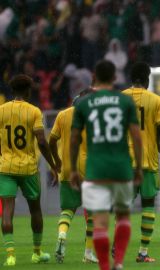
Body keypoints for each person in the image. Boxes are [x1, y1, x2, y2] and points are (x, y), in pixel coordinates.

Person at [70, 60, 143, 270]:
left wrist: (73, 169)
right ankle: (118, 262)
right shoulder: (125, 101)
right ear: (114, 78)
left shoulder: (83, 103)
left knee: (100, 222)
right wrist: (138, 167)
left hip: (96, 170)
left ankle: (104, 266)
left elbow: (75, 138)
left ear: (94, 76)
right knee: (123, 215)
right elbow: (136, 137)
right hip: (121, 168)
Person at [0, 74, 58, 266]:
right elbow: (41, 140)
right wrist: (53, 164)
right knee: (35, 211)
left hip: (5, 167)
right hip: (28, 168)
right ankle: (36, 252)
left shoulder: (1, 110)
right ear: (27, 91)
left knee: (7, 211)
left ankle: (10, 255)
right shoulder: (34, 111)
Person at [122, 62, 160, 262]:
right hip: (148, 162)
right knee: (147, 207)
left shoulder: (120, 99)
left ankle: (115, 248)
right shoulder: (156, 101)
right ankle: (143, 252)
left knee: (123, 208)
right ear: (146, 78)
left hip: (124, 162)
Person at [49, 88, 98, 264]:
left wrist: (56, 162)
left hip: (68, 167)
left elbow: (51, 140)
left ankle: (62, 235)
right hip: (89, 168)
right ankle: (88, 253)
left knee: (67, 210)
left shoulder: (63, 115)